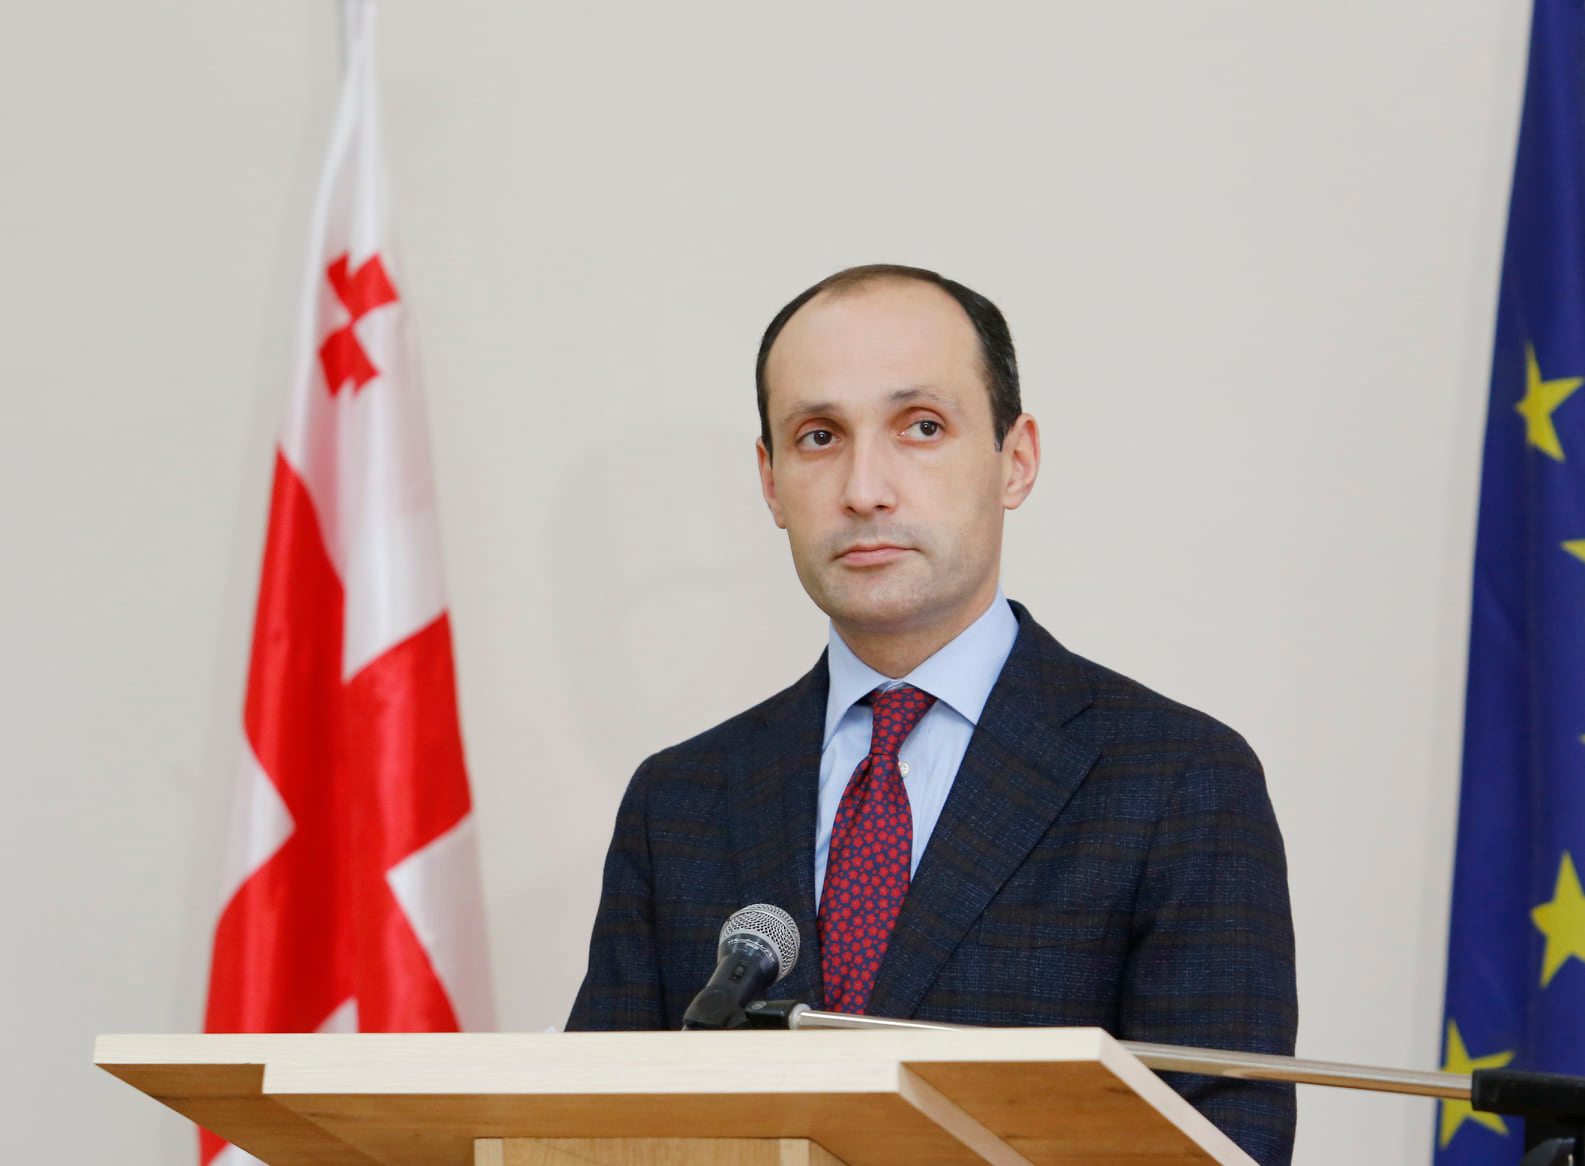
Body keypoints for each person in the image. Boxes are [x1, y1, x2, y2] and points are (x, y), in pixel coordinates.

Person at [566, 264, 1298, 1164]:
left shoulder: (1178, 780)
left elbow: (1226, 1143)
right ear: (770, 482)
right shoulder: (678, 799)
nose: (864, 489)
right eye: (818, 436)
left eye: (920, 427)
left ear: (1015, 460)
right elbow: (584, 1131)